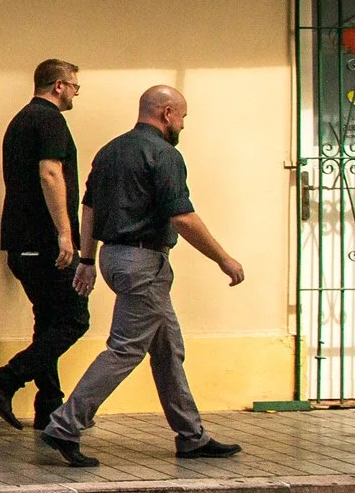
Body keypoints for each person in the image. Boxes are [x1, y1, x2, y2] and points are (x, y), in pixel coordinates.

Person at [40, 85, 245, 468]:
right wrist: (224, 259)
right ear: (167, 113)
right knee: (125, 348)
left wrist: (87, 259)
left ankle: (191, 436)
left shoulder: (110, 150)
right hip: (143, 264)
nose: (183, 124)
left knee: (167, 347)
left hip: (115, 259)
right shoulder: (165, 155)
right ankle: (65, 425)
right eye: (182, 116)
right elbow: (182, 217)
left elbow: (89, 209)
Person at [0, 59, 88, 433]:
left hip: (21, 242)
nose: (75, 92)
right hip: (42, 241)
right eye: (74, 85)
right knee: (74, 319)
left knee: (49, 321)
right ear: (58, 86)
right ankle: (6, 380)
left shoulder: (20, 120)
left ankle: (49, 406)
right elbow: (50, 172)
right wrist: (64, 232)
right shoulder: (49, 120)